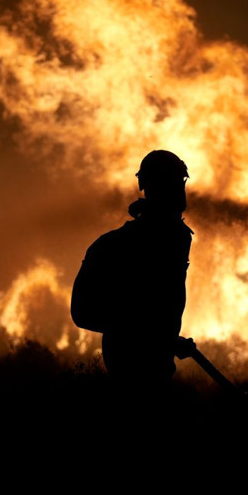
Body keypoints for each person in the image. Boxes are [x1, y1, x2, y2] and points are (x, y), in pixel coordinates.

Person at [71, 150, 194, 406]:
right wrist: (152, 337)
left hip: (156, 374)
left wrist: (167, 341)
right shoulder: (113, 247)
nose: (179, 194)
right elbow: (82, 312)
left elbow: (157, 313)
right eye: (173, 185)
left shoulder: (176, 239)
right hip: (130, 377)